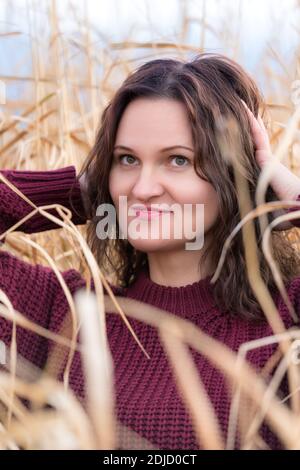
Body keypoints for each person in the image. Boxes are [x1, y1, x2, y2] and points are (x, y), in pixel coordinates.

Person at [1, 52, 300, 450]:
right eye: (126, 159)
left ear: (234, 173)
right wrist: (87, 191)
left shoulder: (283, 320)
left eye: (178, 160)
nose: (142, 188)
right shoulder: (65, 314)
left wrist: (287, 191)